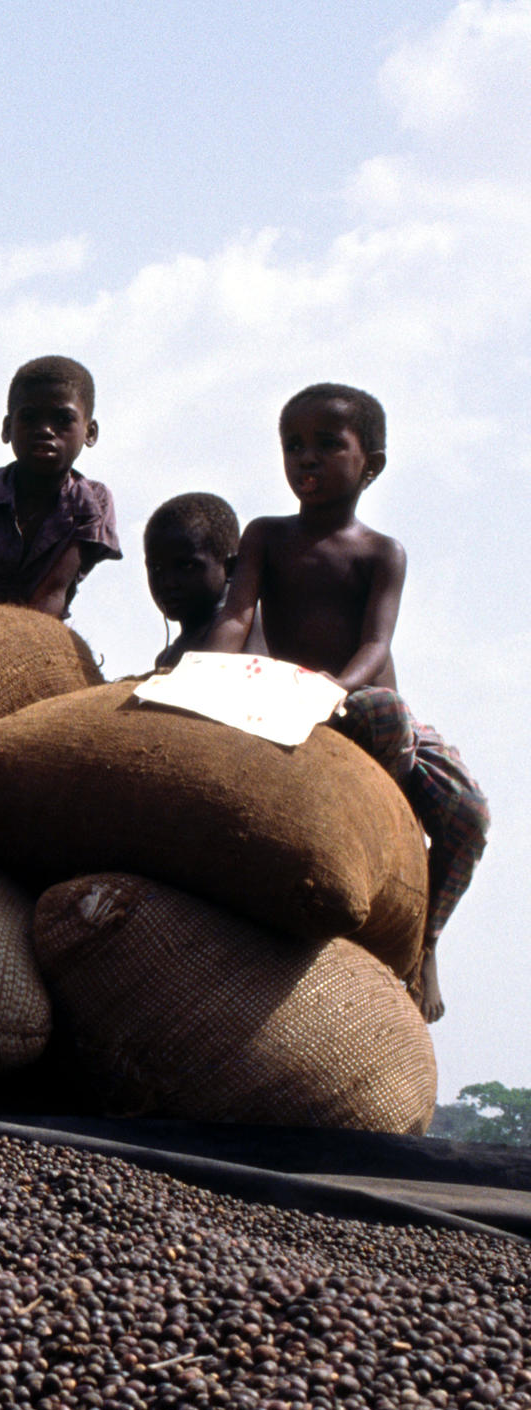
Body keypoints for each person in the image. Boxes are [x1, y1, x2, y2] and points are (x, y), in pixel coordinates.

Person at [201, 382, 487, 1020]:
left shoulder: (382, 553)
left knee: (468, 811)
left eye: (328, 445)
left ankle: (425, 942)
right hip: (291, 700)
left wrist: (332, 687)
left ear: (372, 463)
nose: (306, 458)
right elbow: (235, 615)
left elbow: (374, 643)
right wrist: (209, 674)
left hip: (367, 711)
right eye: (293, 445)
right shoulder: (267, 536)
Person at [0, 355, 121, 617]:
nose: (45, 430)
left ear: (90, 433)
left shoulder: (92, 501)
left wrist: (14, 648)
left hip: (38, 634)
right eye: (29, 417)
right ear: (7, 429)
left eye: (63, 419)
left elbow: (53, 592)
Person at [141, 492, 242, 669]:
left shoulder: (249, 634)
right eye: (156, 568)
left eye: (186, 566)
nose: (168, 583)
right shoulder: (167, 657)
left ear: (230, 568)